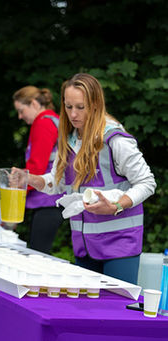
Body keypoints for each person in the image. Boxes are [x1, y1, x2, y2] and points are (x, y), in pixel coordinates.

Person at [12, 73, 156, 284]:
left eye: (80, 107)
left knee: (115, 312)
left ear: (96, 104)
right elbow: (58, 183)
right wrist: (31, 179)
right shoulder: (69, 138)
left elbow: (147, 182)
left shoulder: (115, 139)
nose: (73, 114)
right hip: (84, 246)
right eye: (68, 107)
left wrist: (116, 205)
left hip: (120, 245)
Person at [12, 86, 64, 254]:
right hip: (53, 197)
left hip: (47, 200)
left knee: (36, 256)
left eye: (21, 110)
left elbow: (36, 168)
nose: (20, 116)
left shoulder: (43, 122)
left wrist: (14, 198)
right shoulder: (54, 119)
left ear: (34, 103)